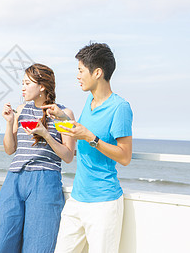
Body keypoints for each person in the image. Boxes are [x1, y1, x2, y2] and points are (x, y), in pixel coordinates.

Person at [48, 43, 133, 253]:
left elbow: (124, 157)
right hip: (77, 198)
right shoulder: (90, 101)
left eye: (80, 70)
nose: (77, 75)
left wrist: (90, 137)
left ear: (97, 72)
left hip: (104, 202)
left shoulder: (120, 108)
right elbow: (84, 129)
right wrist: (62, 117)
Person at [0, 63, 76, 253]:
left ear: (42, 86)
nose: (23, 87)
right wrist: (10, 122)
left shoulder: (63, 114)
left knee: (38, 247)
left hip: (45, 180)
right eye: (22, 83)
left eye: (27, 83)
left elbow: (68, 155)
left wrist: (45, 134)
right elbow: (10, 149)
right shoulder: (21, 111)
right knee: (0, 245)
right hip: (14, 179)